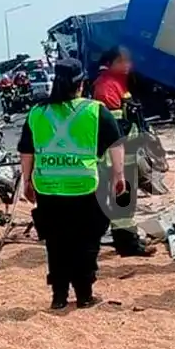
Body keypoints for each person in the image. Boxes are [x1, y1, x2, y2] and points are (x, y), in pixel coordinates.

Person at [18, 58, 125, 310]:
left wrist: (27, 181)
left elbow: (26, 150)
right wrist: (119, 176)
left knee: (56, 243)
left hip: (48, 187)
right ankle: (85, 295)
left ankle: (58, 297)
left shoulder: (37, 112)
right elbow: (116, 144)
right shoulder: (95, 110)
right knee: (86, 241)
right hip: (84, 186)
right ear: (81, 84)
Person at [92, 47, 156, 257]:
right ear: (110, 64)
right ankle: (128, 245)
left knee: (124, 201)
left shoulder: (118, 84)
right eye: (123, 61)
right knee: (122, 202)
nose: (128, 65)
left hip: (126, 153)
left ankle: (126, 242)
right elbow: (113, 129)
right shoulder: (105, 87)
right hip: (115, 158)